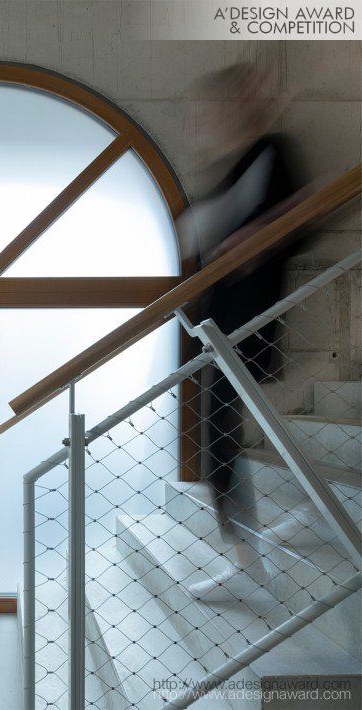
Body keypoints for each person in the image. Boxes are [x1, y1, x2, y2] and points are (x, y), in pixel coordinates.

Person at [176, 62, 307, 602]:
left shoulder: (270, 152)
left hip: (246, 320)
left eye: (205, 113)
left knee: (219, 436)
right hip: (228, 321)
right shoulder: (241, 165)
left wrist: (249, 238)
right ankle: (305, 518)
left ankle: (250, 563)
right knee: (229, 431)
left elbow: (294, 223)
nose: (198, 125)